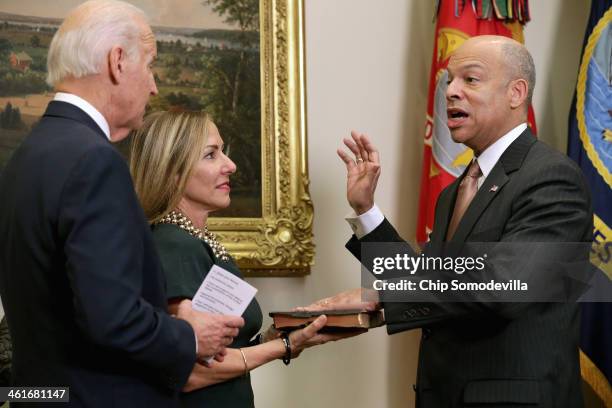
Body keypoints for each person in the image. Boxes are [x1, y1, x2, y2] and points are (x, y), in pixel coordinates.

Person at [315, 35, 593, 407]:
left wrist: (379, 297)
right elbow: (427, 280)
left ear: (516, 92)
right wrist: (366, 210)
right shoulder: (455, 192)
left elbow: (501, 286)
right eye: (449, 80)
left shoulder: (552, 177)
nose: (450, 92)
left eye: (470, 79)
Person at [0, 1, 244, 406]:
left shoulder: (26, 156)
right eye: (149, 65)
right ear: (117, 61)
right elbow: (111, 320)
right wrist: (190, 335)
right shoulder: (94, 161)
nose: (153, 86)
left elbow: (65, 305)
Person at [129, 110, 363, 408]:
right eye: (211, 155)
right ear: (172, 171)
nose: (231, 165)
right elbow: (189, 372)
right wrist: (285, 346)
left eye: (223, 152)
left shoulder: (199, 242)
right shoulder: (174, 245)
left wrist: (276, 335)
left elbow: (219, 354)